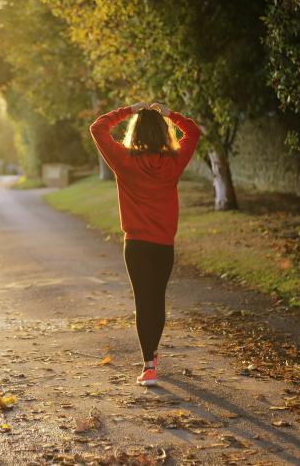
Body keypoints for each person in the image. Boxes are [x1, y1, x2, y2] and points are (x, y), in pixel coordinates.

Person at [89, 101, 202, 386]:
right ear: (164, 133)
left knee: (143, 301)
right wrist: (170, 114)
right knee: (157, 299)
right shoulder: (174, 162)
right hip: (163, 244)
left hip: (136, 245)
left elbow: (98, 128)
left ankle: (149, 365)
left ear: (135, 132)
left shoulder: (124, 161)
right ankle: (152, 353)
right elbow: (194, 132)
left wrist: (129, 109)